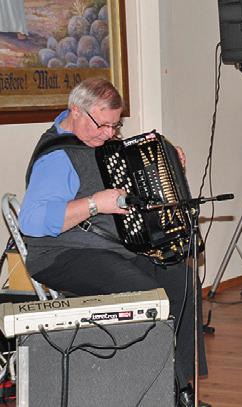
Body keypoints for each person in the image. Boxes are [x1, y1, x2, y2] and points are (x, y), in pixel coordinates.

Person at [19, 77, 206, 407]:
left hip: (112, 248)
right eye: (103, 125)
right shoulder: (56, 158)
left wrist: (166, 166)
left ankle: (178, 385)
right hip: (62, 254)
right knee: (145, 293)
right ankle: (152, 389)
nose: (109, 134)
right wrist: (95, 204)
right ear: (76, 111)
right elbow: (32, 223)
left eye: (114, 126)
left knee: (182, 277)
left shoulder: (98, 143)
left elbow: (131, 185)